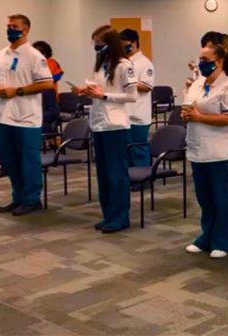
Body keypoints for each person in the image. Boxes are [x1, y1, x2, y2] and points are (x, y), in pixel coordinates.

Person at [0, 14, 53, 216]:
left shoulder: (34, 56)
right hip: (2, 116)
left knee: (28, 161)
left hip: (25, 119)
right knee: (11, 161)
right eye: (8, 26)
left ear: (26, 30)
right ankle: (18, 197)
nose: (10, 29)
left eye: (14, 26)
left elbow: (47, 83)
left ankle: (32, 199)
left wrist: (18, 91)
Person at [72, 25, 137, 234]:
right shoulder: (100, 65)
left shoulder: (124, 65)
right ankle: (108, 214)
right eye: (95, 43)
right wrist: (86, 91)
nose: (97, 46)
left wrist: (104, 96)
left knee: (116, 173)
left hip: (115, 125)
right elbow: (99, 91)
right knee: (103, 173)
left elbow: (132, 96)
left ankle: (120, 217)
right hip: (99, 123)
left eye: (100, 42)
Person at [182, 44, 228, 258]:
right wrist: (187, 113)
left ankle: (221, 240)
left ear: (218, 62)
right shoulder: (198, 83)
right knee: (204, 197)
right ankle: (206, 235)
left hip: (219, 150)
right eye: (200, 58)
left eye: (205, 59)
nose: (201, 62)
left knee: (221, 197)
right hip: (198, 146)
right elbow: (191, 105)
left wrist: (199, 117)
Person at [120, 29, 155, 179]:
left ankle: (143, 178)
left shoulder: (145, 63)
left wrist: (128, 82)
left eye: (125, 45)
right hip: (124, 114)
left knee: (138, 149)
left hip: (138, 115)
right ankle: (130, 177)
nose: (122, 48)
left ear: (134, 43)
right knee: (126, 150)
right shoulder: (122, 62)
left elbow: (146, 87)